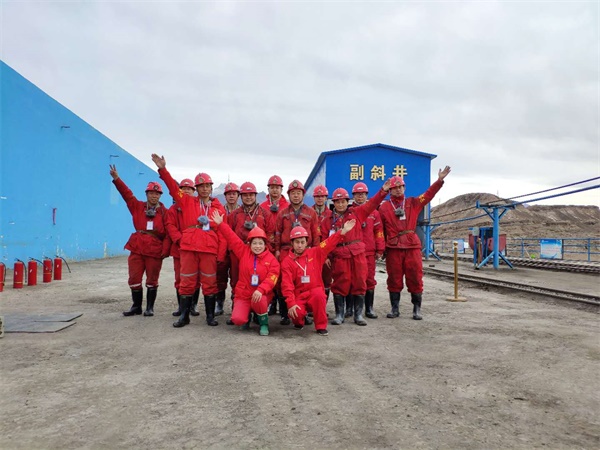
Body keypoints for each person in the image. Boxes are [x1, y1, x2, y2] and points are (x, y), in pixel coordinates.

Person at [151, 154, 226, 328]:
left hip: (209, 249)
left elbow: (223, 232)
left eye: (207, 186)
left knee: (209, 282)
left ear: (211, 188)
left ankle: (210, 317)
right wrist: (163, 169)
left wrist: (221, 254)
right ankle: (184, 316)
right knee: (186, 281)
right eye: (201, 186)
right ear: (196, 188)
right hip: (189, 248)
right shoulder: (186, 201)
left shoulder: (218, 207)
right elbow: (172, 187)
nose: (205, 189)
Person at [379, 166, 451, 320]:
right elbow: (381, 229)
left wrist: (439, 181)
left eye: (400, 186)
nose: (398, 189)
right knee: (394, 278)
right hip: (393, 248)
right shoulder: (384, 207)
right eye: (395, 187)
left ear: (404, 188)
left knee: (415, 277)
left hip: (412, 247)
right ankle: (394, 309)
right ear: (390, 190)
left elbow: (428, 195)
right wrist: (382, 248)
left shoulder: (413, 202)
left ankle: (416, 309)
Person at [328, 179, 391, 326]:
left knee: (360, 282)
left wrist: (383, 191)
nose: (340, 204)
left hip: (358, 254)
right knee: (340, 283)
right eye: (337, 202)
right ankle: (340, 315)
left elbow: (373, 204)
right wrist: (326, 256)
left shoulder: (357, 213)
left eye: (343, 201)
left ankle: (358, 315)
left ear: (347, 202)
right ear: (333, 203)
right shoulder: (329, 220)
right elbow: (324, 239)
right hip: (340, 255)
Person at [110, 165, 169, 317]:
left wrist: (165, 251)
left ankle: (150, 308)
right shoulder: (137, 207)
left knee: (152, 279)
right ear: (147, 194)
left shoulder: (165, 213)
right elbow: (127, 194)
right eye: (151, 193)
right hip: (137, 247)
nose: (154, 196)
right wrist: (117, 179)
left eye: (157, 193)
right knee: (134, 278)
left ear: (160, 196)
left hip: (155, 250)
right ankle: (136, 306)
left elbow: (169, 233)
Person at [280, 219, 357, 336]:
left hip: (314, 291)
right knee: (296, 313)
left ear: (306, 242)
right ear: (292, 243)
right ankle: (299, 322)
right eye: (297, 242)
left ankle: (321, 326)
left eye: (302, 242)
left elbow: (329, 242)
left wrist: (343, 231)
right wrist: (291, 303)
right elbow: (287, 285)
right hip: (299, 295)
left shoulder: (315, 252)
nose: (299, 245)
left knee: (320, 296)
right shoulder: (287, 262)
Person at [212, 210, 279, 336]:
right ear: (249, 244)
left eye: (260, 243)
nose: (257, 246)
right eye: (255, 243)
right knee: (238, 320)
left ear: (265, 244)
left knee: (260, 300)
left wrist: (261, 290)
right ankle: (246, 316)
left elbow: (272, 278)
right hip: (244, 294)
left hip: (261, 294)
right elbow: (232, 238)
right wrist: (221, 225)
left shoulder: (272, 260)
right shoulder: (243, 252)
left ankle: (264, 323)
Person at [226, 181, 275, 325]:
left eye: (251, 195)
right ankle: (239, 309)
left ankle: (257, 311)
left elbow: (271, 235)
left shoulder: (265, 214)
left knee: (260, 281)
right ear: (241, 196)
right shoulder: (234, 215)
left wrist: (266, 253)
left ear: (255, 196)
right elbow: (229, 235)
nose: (248, 197)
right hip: (239, 254)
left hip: (260, 254)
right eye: (245, 195)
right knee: (236, 281)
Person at [274, 180, 320, 326]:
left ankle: (303, 313)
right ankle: (285, 314)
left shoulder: (311, 213)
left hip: (305, 251)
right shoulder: (282, 213)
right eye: (293, 193)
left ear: (303, 195)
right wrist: (276, 250)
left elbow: (316, 234)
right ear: (288, 195)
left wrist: (315, 252)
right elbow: (277, 233)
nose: (295, 195)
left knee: (304, 283)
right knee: (283, 282)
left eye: (298, 193)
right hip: (286, 251)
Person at [164, 178, 201, 317]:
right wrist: (180, 239)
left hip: (195, 248)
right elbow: (170, 225)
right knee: (180, 278)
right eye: (183, 189)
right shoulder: (173, 210)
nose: (186, 191)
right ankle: (181, 307)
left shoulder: (198, 205)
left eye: (189, 189)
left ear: (193, 191)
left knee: (195, 278)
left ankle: (193, 306)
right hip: (179, 248)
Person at [351, 182, 385, 319]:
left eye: (363, 194)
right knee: (353, 280)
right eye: (357, 194)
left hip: (369, 252)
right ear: (353, 196)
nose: (360, 197)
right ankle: (351, 309)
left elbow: (379, 232)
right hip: (353, 252)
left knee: (370, 280)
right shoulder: (350, 212)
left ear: (367, 195)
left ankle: (369, 308)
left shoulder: (375, 213)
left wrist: (380, 249)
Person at [260, 175, 289, 318]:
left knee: (282, 277)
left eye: (277, 187)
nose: (275, 190)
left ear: (281, 189)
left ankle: (283, 309)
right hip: (266, 247)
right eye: (272, 187)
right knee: (268, 276)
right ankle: (271, 304)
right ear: (268, 189)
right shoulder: (262, 206)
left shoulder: (287, 206)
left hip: (282, 247)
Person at [215, 182, 241, 315]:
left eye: (234, 194)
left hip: (236, 250)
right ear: (225, 196)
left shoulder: (242, 212)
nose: (231, 196)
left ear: (238, 196)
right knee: (220, 277)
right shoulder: (219, 211)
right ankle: (219, 303)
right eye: (229, 194)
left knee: (237, 278)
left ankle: (236, 304)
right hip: (222, 250)